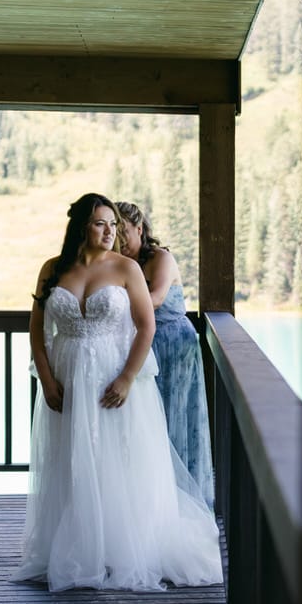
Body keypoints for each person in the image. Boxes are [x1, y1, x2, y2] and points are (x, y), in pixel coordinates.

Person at [11, 192, 222, 592]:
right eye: (100, 224)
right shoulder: (53, 269)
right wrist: (46, 377)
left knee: (120, 460)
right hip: (67, 377)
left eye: (113, 225)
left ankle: (124, 548)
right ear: (80, 228)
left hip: (115, 378)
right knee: (73, 459)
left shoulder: (127, 268)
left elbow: (147, 326)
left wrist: (127, 377)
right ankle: (81, 546)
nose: (110, 232)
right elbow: (37, 330)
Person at [115, 200, 215, 506]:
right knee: (143, 425)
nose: (119, 242)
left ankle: (183, 501)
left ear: (140, 229)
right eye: (114, 234)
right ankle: (146, 501)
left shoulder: (161, 258)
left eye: (124, 233)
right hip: (139, 347)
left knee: (173, 420)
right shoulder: (116, 263)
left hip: (172, 345)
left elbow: (155, 299)